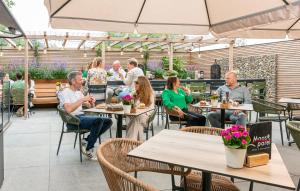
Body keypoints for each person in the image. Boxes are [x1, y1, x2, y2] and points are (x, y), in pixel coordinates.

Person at [60, 71, 112, 160]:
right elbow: (68, 110)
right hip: (72, 121)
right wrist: (83, 99)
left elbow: (88, 106)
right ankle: (88, 149)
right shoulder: (65, 92)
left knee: (108, 121)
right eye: (80, 80)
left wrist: (90, 103)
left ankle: (86, 140)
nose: (82, 81)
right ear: (73, 81)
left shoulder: (78, 92)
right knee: (98, 120)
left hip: (82, 117)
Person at [126, 76, 155, 141]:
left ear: (143, 84)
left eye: (137, 83)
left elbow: (150, 110)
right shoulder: (135, 93)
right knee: (136, 122)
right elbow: (126, 99)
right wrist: (126, 98)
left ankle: (128, 143)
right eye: (135, 82)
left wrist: (136, 109)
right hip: (134, 116)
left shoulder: (150, 94)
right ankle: (137, 143)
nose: (135, 84)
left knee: (136, 119)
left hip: (146, 117)